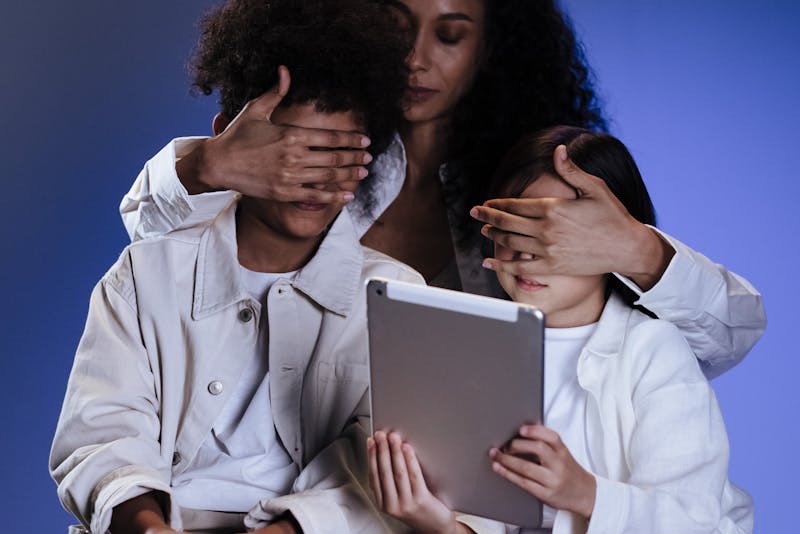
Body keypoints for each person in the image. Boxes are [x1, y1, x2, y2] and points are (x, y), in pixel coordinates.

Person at [119, 0, 765, 381]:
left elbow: (727, 337)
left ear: (491, 48)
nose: (416, 59)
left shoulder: (545, 183)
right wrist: (207, 166)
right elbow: (155, 266)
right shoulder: (299, 158)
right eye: (398, 28)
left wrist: (634, 250)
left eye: (450, 35)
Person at [49, 1, 423, 533]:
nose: (311, 178)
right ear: (228, 135)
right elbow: (101, 433)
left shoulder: (396, 297)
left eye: (338, 156)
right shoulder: (144, 274)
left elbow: (383, 473)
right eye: (293, 152)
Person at [367, 126, 754, 534]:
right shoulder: (477, 346)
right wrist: (437, 522)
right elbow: (486, 519)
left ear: (612, 240)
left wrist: (584, 493)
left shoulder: (655, 351)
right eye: (515, 226)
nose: (530, 251)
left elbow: (691, 520)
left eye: (556, 232)